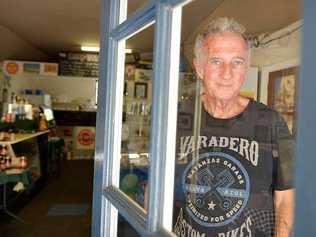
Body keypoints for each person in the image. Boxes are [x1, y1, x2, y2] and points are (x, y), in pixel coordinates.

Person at [173, 17, 294, 237]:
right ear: (199, 68)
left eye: (237, 62)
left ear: (246, 68)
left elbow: (286, 199)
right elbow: (154, 189)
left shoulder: (272, 123)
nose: (227, 73)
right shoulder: (174, 117)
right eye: (216, 61)